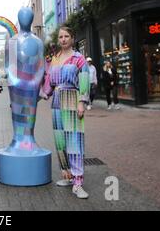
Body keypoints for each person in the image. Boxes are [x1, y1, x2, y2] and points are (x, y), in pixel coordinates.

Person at [41, 26, 90, 199]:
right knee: (60, 140)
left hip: (72, 98)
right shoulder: (54, 59)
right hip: (56, 101)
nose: (63, 39)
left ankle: (78, 181)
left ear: (72, 38)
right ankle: (67, 176)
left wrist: (82, 102)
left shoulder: (79, 59)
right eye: (60, 36)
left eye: (66, 36)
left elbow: (84, 80)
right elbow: (49, 82)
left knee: (74, 140)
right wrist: (42, 94)